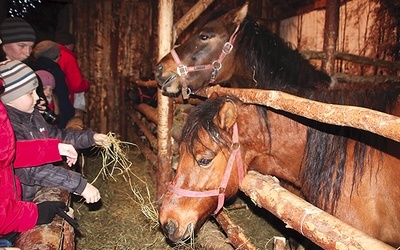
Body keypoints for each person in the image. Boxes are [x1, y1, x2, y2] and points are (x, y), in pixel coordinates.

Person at [0, 59, 106, 203]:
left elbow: (58, 136)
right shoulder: (8, 129)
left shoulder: (33, 116)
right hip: (20, 202)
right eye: (30, 93)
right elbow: (31, 171)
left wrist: (91, 138)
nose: (38, 98)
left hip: (34, 196)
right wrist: (79, 185)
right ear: (10, 97)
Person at [0, 74, 79, 245]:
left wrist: (54, 148)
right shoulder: (16, 118)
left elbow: (8, 152)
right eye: (30, 93)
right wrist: (34, 213)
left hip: (12, 211)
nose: (38, 98)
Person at [32, 40, 75, 129]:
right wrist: (70, 113)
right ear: (55, 56)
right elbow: (62, 98)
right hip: (56, 121)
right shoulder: (55, 73)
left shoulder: (32, 70)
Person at [55, 32, 89, 117]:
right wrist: (86, 84)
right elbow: (76, 85)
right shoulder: (68, 57)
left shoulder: (49, 54)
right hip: (65, 100)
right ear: (70, 44)